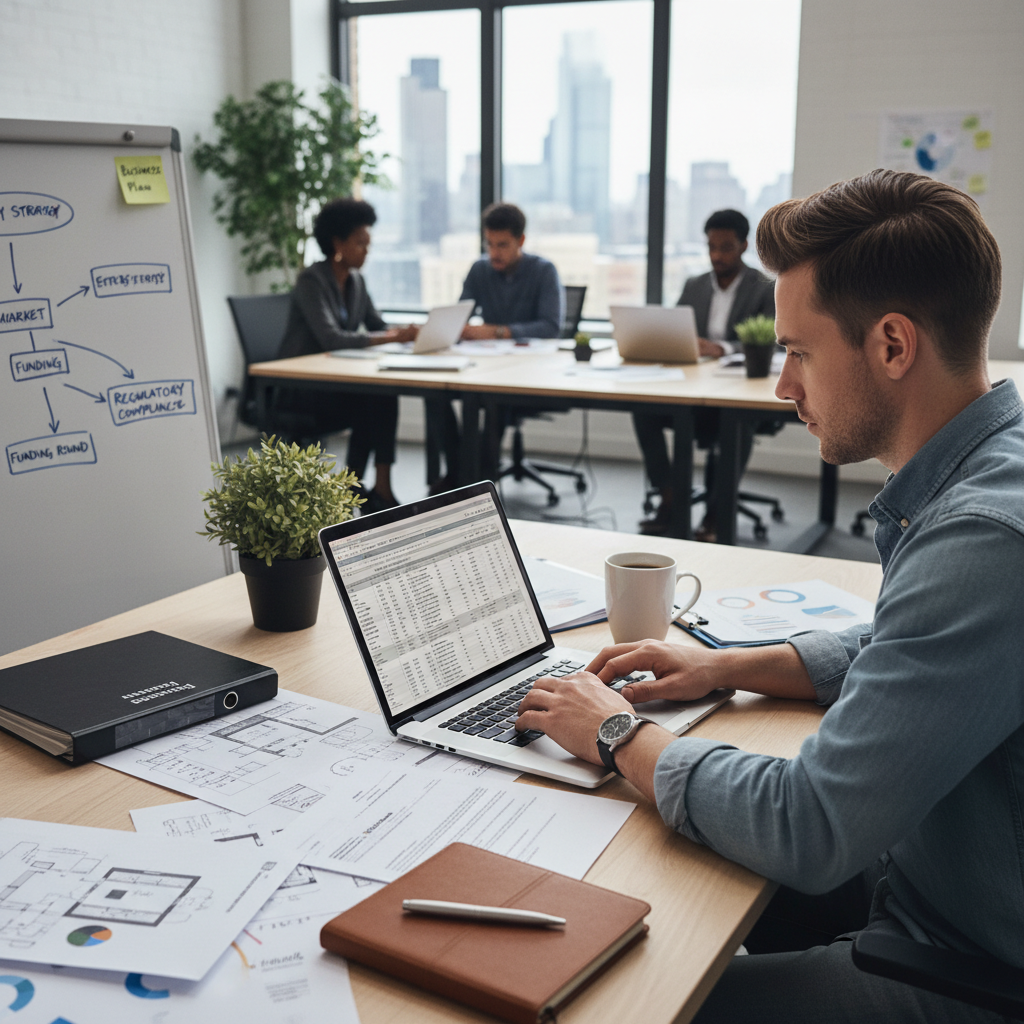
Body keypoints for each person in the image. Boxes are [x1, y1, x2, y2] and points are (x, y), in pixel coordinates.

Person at [514, 169, 1022, 1023]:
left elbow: (811, 825)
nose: (783, 387)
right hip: (937, 872)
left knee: (609, 1002)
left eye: (798, 351)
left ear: (892, 345)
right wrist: (720, 667)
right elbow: (907, 647)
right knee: (655, 876)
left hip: (970, 961)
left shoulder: (983, 541)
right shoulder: (992, 467)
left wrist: (613, 730)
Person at [634, 209, 776, 538]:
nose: (716, 255)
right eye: (711, 247)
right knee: (644, 411)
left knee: (737, 421)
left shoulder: (764, 288)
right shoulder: (694, 285)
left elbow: (773, 343)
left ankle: (717, 511)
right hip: (692, 386)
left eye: (725, 247)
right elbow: (677, 329)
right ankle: (670, 497)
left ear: (743, 245)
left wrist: (723, 349)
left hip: (738, 388)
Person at [278, 198, 417, 512]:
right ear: (337, 242)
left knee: (383, 395)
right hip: (302, 389)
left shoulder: (356, 281)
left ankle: (376, 487)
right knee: (374, 400)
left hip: (337, 385)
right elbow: (331, 338)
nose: (366, 250)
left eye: (368, 243)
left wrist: (406, 332)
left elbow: (377, 325)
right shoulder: (311, 281)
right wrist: (394, 336)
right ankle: (353, 488)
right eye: (360, 243)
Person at [425, 202, 564, 493]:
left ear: (520, 241)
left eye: (503, 245)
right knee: (434, 393)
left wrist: (500, 331)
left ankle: (473, 481)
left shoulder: (544, 271)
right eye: (490, 244)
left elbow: (551, 327)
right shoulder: (480, 270)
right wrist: (457, 329)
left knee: (492, 400)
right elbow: (460, 312)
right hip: (486, 364)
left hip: (529, 371)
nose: (494, 253)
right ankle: (460, 474)